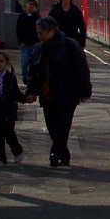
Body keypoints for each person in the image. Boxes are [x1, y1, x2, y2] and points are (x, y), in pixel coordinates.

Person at [26, 16, 91, 168]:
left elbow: (81, 70)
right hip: (48, 95)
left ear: (51, 31)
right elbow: (33, 72)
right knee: (52, 127)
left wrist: (85, 91)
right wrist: (31, 91)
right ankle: (64, 155)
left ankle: (54, 154)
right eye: (38, 33)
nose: (38, 35)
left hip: (67, 94)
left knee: (63, 127)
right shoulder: (38, 49)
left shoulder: (69, 46)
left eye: (41, 32)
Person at [16, 0, 41, 85]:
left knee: (34, 63)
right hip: (25, 45)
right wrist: (20, 42)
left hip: (35, 44)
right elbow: (18, 30)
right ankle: (25, 78)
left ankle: (32, 79)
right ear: (26, 5)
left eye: (33, 4)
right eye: (30, 4)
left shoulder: (37, 17)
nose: (31, 6)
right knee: (24, 62)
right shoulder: (21, 16)